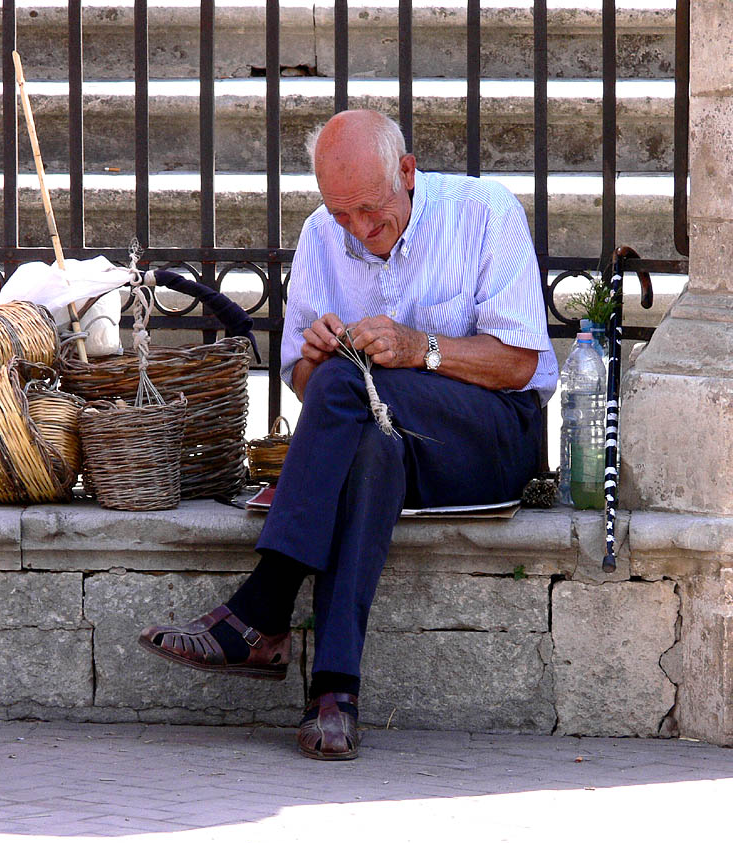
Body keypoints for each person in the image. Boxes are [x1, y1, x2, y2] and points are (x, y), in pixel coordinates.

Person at [138, 110, 559, 760]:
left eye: (371, 210)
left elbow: (521, 364)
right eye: (343, 215)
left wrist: (420, 347)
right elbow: (313, 392)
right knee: (367, 446)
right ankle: (335, 692)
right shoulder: (320, 233)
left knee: (344, 382)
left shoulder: (484, 212)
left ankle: (263, 607)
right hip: (393, 436)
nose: (359, 230)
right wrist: (311, 356)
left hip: (491, 437)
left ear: (408, 174)